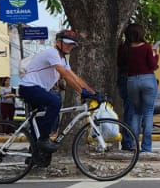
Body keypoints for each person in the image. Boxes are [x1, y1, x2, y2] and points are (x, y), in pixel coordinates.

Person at [18, 31, 99, 164]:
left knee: (39, 120)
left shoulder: (62, 59)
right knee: (55, 101)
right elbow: (65, 76)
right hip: (29, 88)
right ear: (58, 42)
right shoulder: (52, 53)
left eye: (72, 45)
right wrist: (82, 92)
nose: (69, 47)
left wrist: (93, 92)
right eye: (67, 44)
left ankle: (35, 155)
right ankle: (44, 139)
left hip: (37, 90)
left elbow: (74, 77)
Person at [118, 23, 160, 153]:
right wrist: (156, 54)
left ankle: (134, 144)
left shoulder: (124, 49)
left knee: (136, 113)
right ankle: (146, 147)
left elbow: (120, 64)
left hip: (132, 81)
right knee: (148, 112)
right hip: (147, 79)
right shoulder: (147, 47)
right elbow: (152, 65)